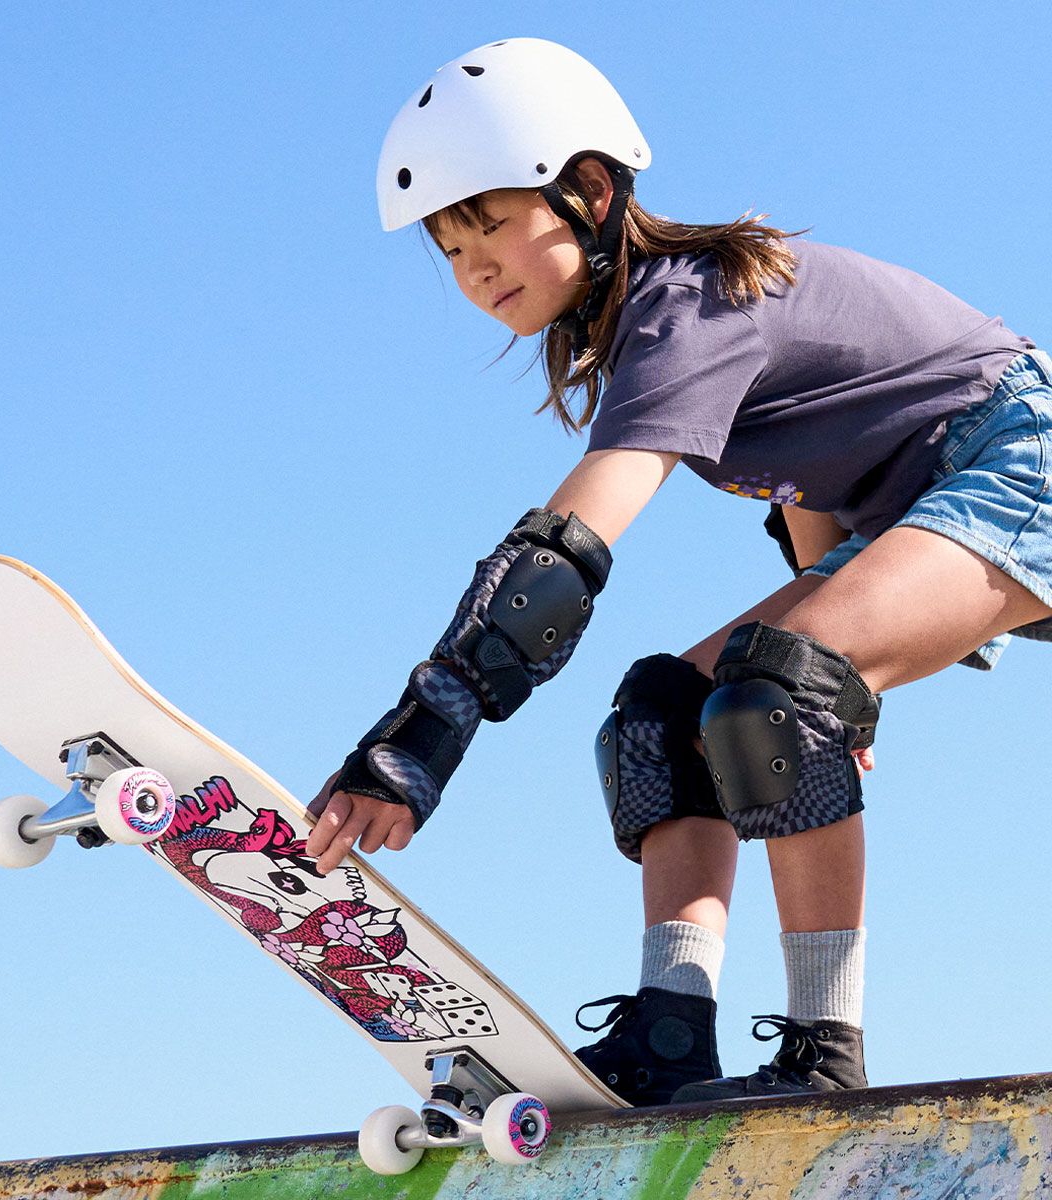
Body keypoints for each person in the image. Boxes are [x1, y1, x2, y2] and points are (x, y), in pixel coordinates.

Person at [306, 37, 1050, 1106]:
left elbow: (564, 556)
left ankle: (822, 1052)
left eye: (489, 225)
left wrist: (425, 732)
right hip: (918, 503)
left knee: (774, 694)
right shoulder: (647, 332)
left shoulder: (686, 301)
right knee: (665, 713)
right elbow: (815, 485)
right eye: (447, 247)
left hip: (1022, 453)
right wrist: (842, 655)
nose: (471, 269)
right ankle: (670, 1029)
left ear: (591, 191)